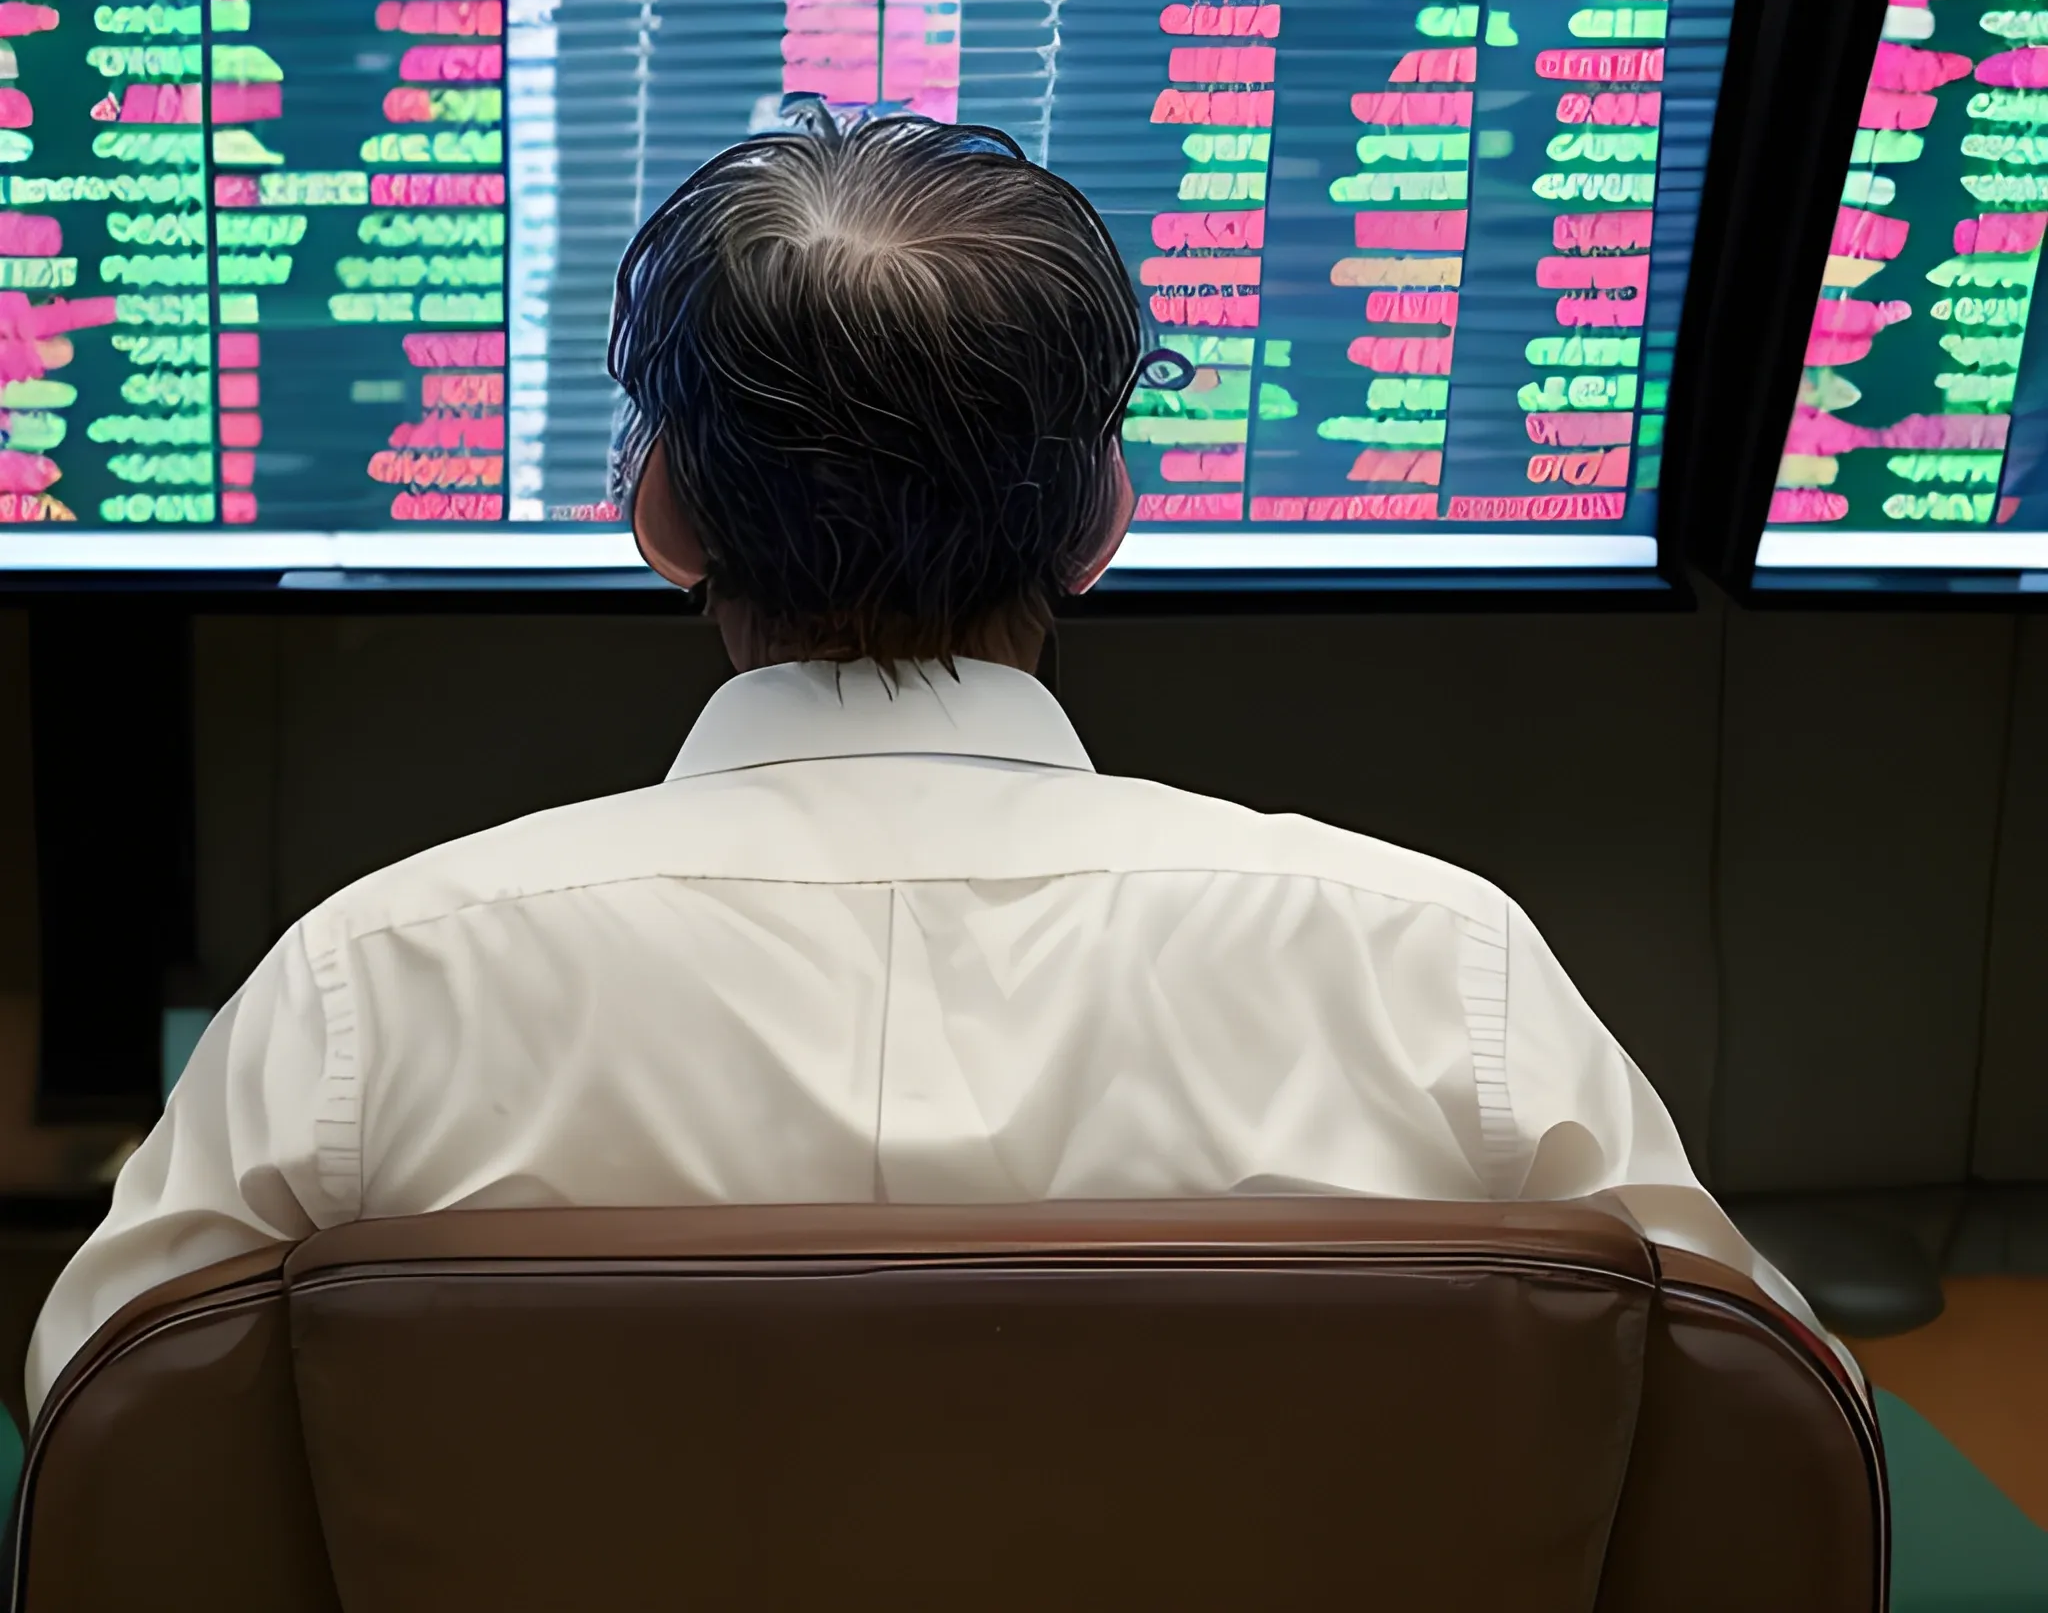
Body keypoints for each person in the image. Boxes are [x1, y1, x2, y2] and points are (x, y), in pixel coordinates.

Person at [26, 106, 1824, 1417]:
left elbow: (107, 1430)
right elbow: (1771, 1440)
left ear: (657, 515)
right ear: (1105, 522)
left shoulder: (374, 987)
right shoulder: (1442, 973)